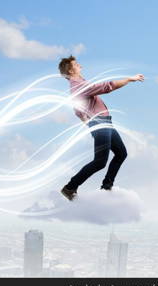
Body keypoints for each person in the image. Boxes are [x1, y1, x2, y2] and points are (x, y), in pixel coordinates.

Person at [58, 56, 144, 201]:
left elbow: (78, 111)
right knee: (100, 162)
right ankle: (70, 187)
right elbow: (106, 87)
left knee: (121, 153)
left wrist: (88, 122)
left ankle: (106, 187)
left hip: (104, 123)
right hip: (101, 124)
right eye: (77, 65)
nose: (81, 66)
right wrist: (129, 79)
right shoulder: (78, 86)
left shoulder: (79, 85)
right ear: (71, 70)